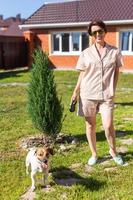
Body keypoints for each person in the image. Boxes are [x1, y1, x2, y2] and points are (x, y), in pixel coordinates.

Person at [71, 20, 124, 166]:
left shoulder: (115, 51)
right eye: (94, 32)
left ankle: (113, 151)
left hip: (107, 95)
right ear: (92, 35)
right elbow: (82, 74)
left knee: (108, 125)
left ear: (105, 31)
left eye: (100, 31)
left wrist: (112, 88)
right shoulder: (85, 53)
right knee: (90, 126)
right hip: (88, 93)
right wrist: (76, 92)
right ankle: (94, 154)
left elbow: (117, 71)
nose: (98, 34)